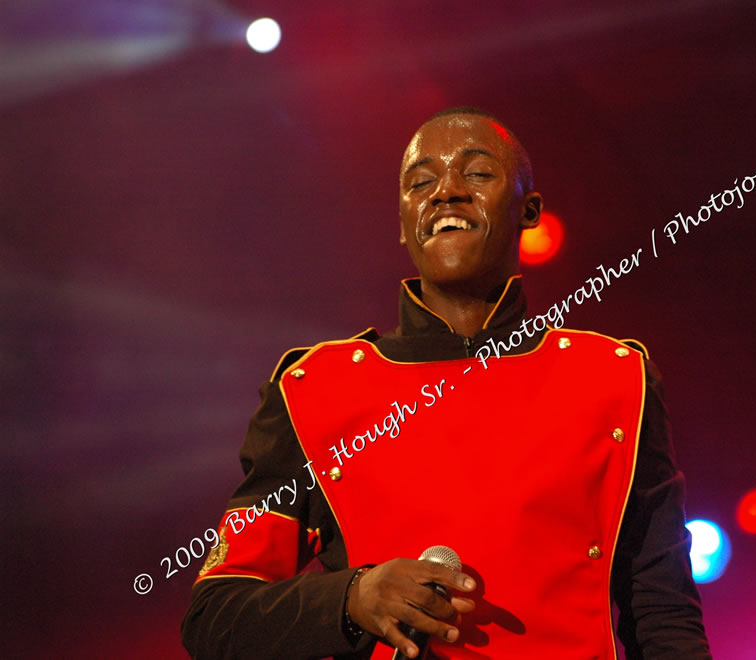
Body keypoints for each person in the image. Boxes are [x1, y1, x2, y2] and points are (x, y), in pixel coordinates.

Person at [181, 106, 711, 659]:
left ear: (527, 210)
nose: (446, 193)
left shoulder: (614, 377)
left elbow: (662, 611)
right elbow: (215, 614)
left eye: (478, 174)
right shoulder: (312, 389)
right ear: (405, 219)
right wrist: (352, 597)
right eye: (421, 182)